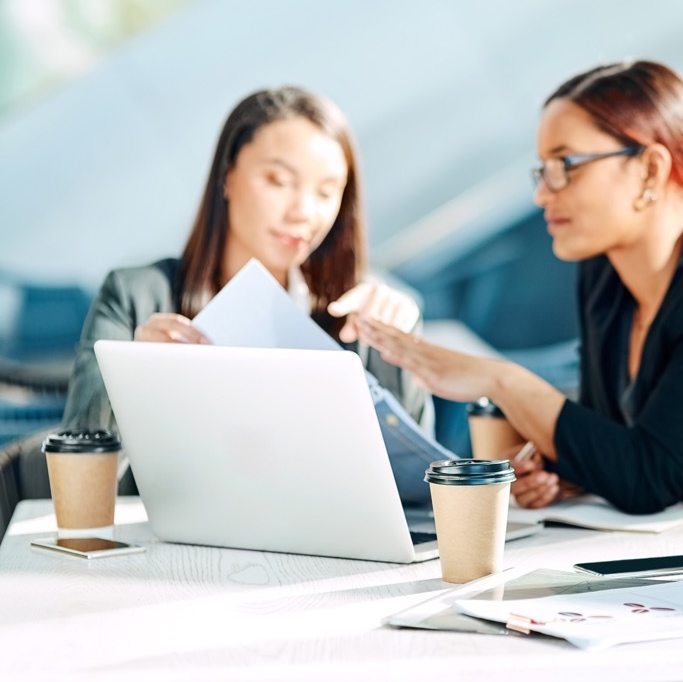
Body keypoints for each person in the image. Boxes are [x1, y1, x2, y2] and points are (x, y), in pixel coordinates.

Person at [350, 60, 683, 535]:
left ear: (651, 169)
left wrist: (501, 380)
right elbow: (612, 438)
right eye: (541, 171)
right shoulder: (606, 272)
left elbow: (649, 479)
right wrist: (562, 473)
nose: (543, 195)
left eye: (565, 166)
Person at [62, 86, 431, 445]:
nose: (303, 212)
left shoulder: (362, 312)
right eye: (279, 181)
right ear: (228, 176)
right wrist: (134, 382)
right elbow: (78, 463)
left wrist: (399, 353)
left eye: (325, 192)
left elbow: (419, 486)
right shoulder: (135, 297)